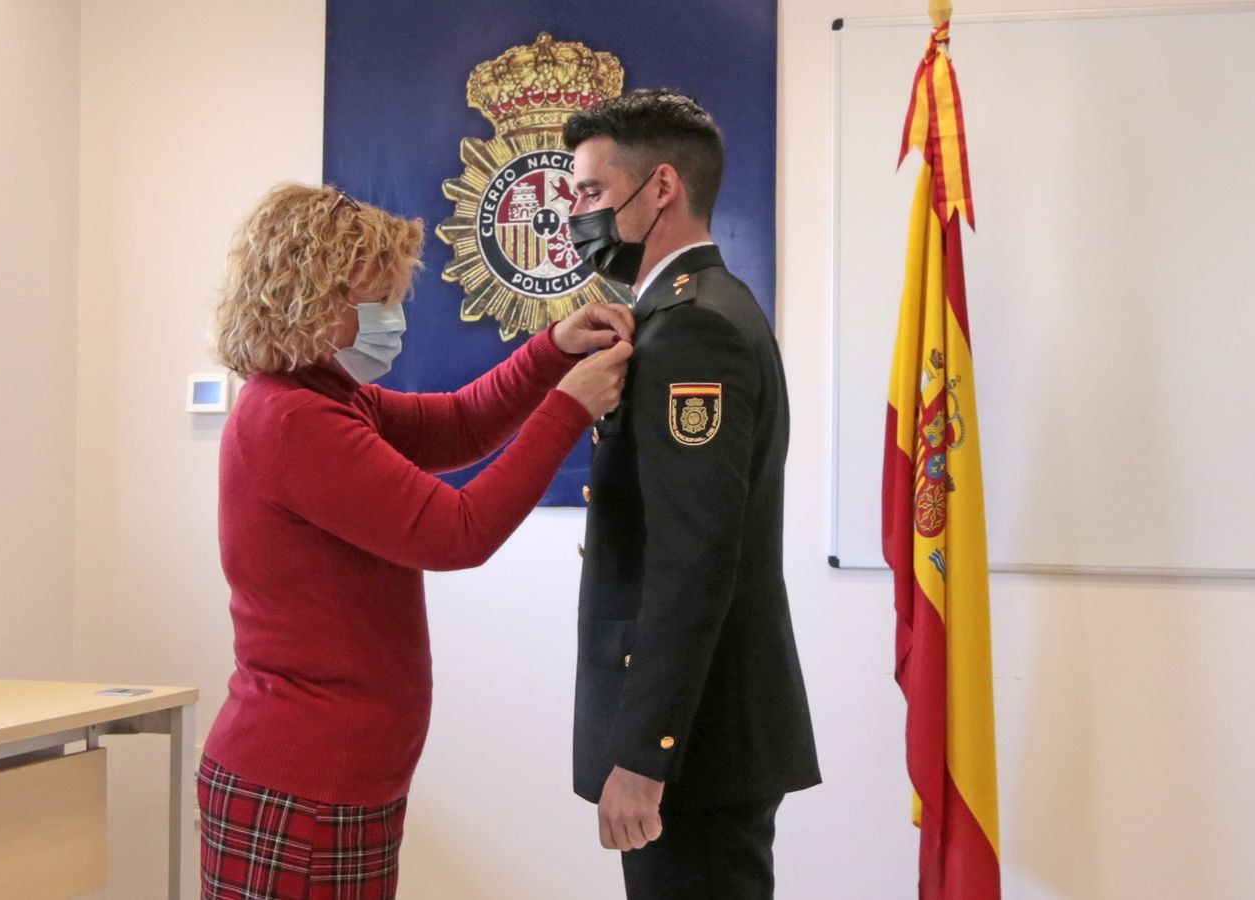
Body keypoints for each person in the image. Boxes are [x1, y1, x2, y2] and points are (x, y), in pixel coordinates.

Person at [200, 183, 633, 900]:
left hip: (332, 781)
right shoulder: (294, 420)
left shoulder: (327, 398)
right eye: (376, 301)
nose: (393, 319)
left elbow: (457, 424)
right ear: (310, 300)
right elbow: (458, 532)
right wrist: (569, 408)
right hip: (304, 788)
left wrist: (552, 352)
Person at [564, 90, 821, 899]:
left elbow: (693, 556)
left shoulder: (693, 330)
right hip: (706, 734)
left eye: (592, 192)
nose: (575, 214)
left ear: (662, 187)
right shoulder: (691, 311)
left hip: (695, 748)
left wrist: (646, 755)